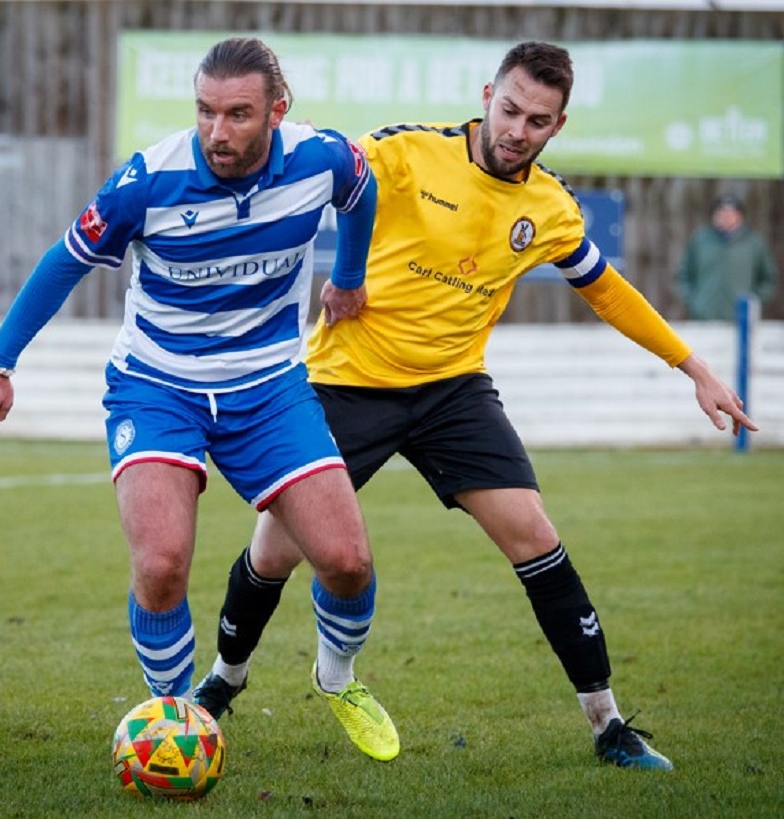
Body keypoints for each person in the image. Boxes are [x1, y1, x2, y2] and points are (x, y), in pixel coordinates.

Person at [192, 40, 758, 771]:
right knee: (275, 550)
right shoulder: (406, 153)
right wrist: (335, 270)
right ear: (488, 94)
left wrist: (694, 365)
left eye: (539, 119)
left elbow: (606, 288)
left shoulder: (549, 207)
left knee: (535, 535)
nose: (518, 128)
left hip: (453, 392)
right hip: (345, 382)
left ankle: (608, 723)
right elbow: (319, 176)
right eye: (512, 108)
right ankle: (223, 681)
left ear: (557, 126)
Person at [0, 36, 399, 763]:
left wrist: (349, 274)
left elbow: (362, 190)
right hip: (157, 382)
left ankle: (337, 676)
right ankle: (175, 725)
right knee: (163, 563)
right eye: (205, 111)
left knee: (347, 560)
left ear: (277, 112)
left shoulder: (321, 157)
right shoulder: (149, 180)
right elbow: (64, 260)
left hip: (267, 387)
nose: (217, 132)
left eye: (237, 115)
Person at [676, 193, 778, 321]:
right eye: (721, 213)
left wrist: (755, 303)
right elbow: (684, 274)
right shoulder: (700, 240)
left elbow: (768, 279)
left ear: (740, 217)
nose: (725, 217)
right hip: (704, 319)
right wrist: (694, 303)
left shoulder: (754, 243)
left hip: (741, 322)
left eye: (730, 214)